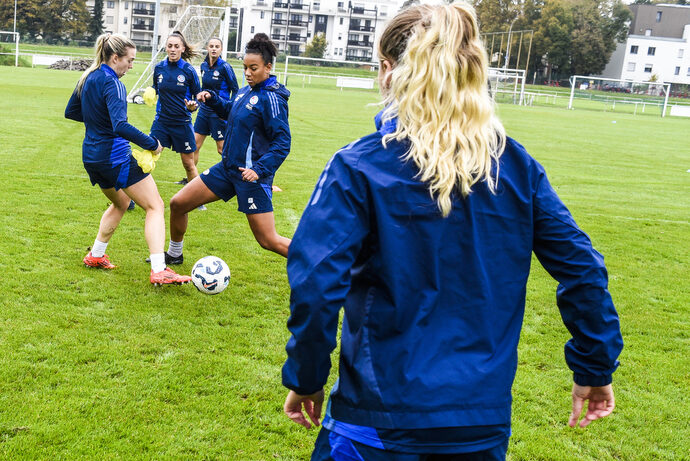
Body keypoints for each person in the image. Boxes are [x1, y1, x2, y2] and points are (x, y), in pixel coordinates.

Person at [281, 3, 623, 460]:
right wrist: (595, 366)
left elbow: (315, 283)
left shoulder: (359, 166)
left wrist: (305, 378)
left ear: (387, 70)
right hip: (475, 423)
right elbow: (584, 269)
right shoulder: (516, 169)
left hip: (383, 419)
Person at [64, 33, 192, 286]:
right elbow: (120, 125)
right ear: (115, 58)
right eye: (130, 61)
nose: (132, 66)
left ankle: (96, 255)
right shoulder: (113, 83)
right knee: (155, 205)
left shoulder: (88, 76)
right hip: (114, 157)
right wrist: (152, 143)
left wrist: (99, 123)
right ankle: (159, 269)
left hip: (91, 157)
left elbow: (72, 111)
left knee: (121, 203)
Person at [163, 33, 291, 265]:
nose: (248, 73)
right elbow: (231, 112)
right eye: (245, 68)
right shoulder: (246, 91)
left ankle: (320, 263)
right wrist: (211, 99)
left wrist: (260, 170)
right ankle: (174, 255)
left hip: (251, 177)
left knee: (268, 240)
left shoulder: (272, 99)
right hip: (227, 169)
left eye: (254, 68)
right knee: (178, 204)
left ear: (268, 67)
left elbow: (282, 143)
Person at [150, 31, 201, 185]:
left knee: (188, 164)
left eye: (176, 46)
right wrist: (150, 93)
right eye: (170, 46)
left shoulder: (189, 71)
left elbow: (197, 97)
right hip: (162, 123)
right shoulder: (159, 68)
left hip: (182, 123)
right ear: (166, 48)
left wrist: (192, 107)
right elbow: (155, 88)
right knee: (149, 157)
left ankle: (198, 200)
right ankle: (131, 197)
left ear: (182, 49)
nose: (172, 49)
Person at [192, 37, 239, 173]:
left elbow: (235, 89)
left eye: (217, 46)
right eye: (211, 46)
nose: (213, 48)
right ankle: (191, 178)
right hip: (204, 111)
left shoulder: (225, 67)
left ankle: (237, 175)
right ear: (207, 48)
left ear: (221, 49)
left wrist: (228, 109)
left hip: (218, 112)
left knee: (221, 149)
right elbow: (203, 87)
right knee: (194, 145)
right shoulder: (203, 66)